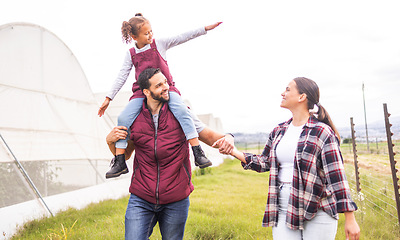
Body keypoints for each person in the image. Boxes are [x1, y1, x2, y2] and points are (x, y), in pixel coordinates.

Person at [217, 77, 360, 240]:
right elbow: (265, 162)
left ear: (302, 97)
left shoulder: (322, 132)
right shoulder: (279, 131)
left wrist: (350, 218)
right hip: (284, 208)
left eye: (287, 89)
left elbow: (337, 176)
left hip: (318, 209)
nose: (282, 93)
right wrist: (234, 152)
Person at [106, 68, 234, 240]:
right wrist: (110, 141)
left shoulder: (182, 114)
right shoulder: (134, 117)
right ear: (146, 91)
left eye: (166, 82)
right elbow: (126, 154)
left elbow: (211, 137)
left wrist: (229, 137)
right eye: (159, 85)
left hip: (176, 199)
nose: (166, 87)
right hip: (141, 198)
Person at [98, 13, 223, 178]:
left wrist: (204, 29)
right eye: (146, 33)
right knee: (123, 119)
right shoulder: (131, 54)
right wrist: (109, 98)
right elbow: (122, 75)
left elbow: (182, 37)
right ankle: (120, 161)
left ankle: (197, 152)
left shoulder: (160, 44)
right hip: (142, 92)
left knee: (182, 111)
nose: (150, 35)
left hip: (166, 89)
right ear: (135, 36)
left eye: (151, 31)